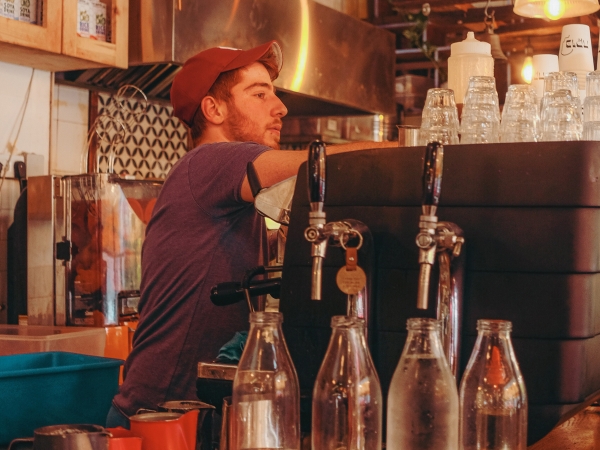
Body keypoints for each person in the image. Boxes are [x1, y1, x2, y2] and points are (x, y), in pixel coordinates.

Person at [107, 40, 396, 427]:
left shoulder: (232, 194)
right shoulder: (208, 162)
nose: (280, 108)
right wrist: (411, 149)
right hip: (157, 420)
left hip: (189, 413)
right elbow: (316, 165)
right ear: (214, 109)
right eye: (259, 94)